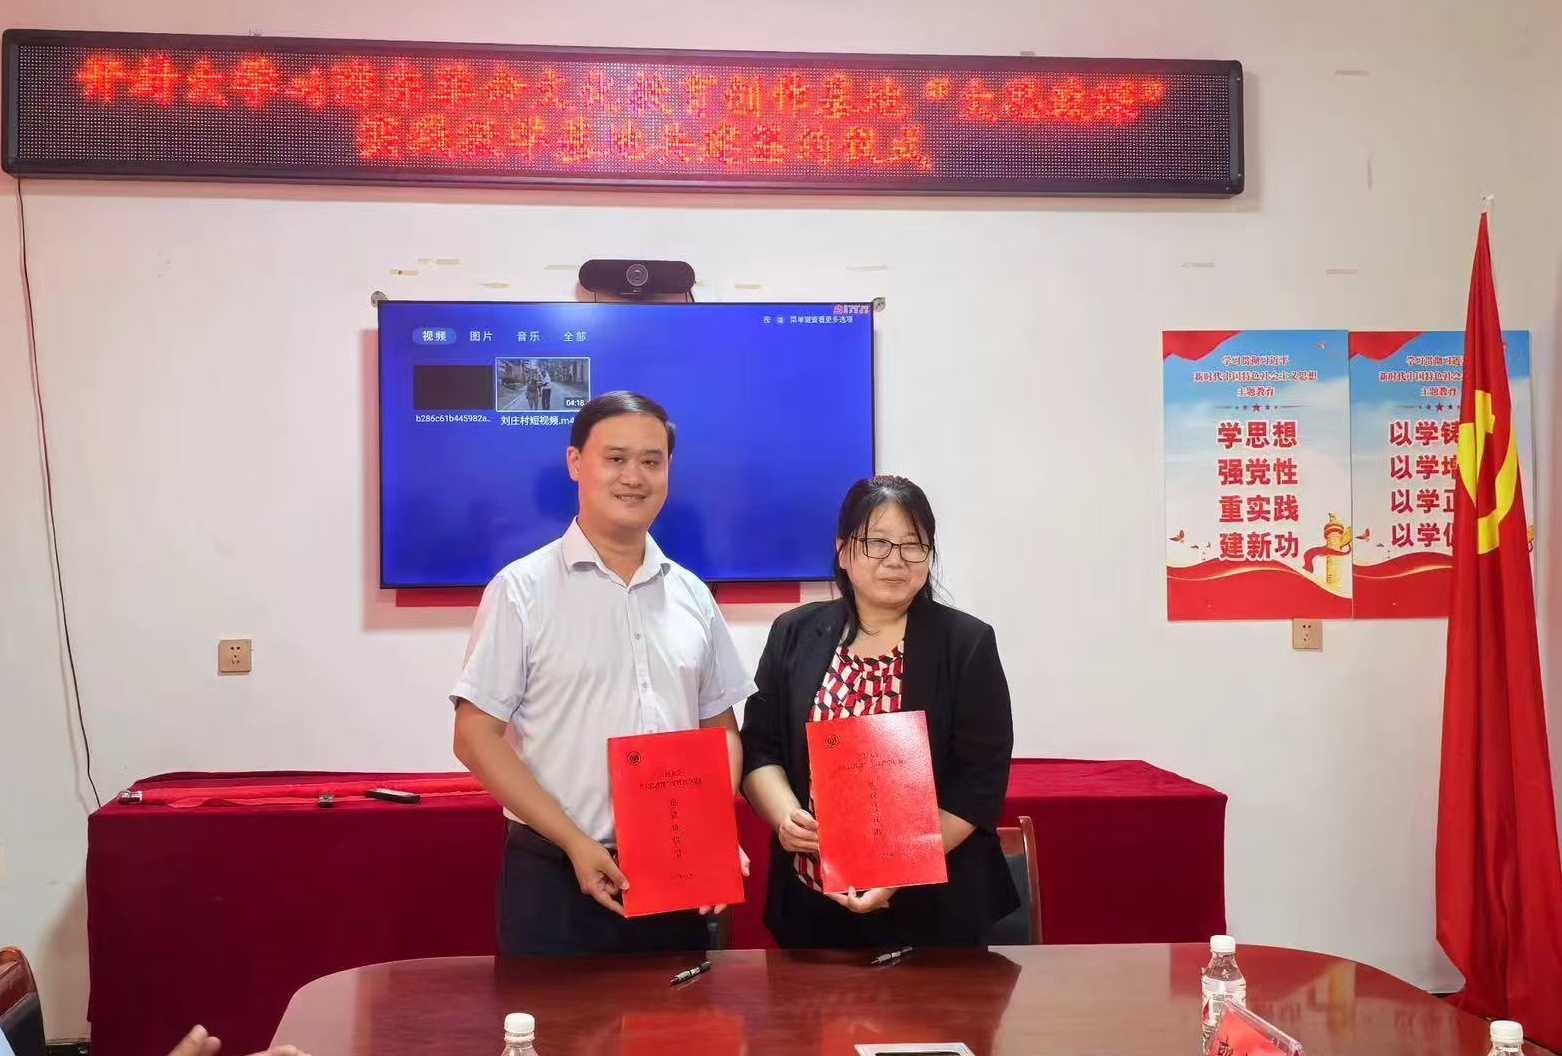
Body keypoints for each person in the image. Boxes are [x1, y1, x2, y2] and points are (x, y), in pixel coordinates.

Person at [451, 391, 755, 956]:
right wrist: (574, 841)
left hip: (676, 873)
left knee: (681, 1014)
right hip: (556, 874)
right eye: (615, 459)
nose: (633, 477)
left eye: (651, 461)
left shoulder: (693, 595)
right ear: (576, 463)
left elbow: (721, 729)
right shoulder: (521, 590)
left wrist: (712, 828)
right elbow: (474, 736)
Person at [739, 475, 1018, 949]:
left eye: (913, 545)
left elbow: (979, 780)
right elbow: (760, 747)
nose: (895, 559)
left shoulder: (966, 643)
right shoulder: (794, 632)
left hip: (936, 910)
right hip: (811, 906)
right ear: (843, 551)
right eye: (878, 542)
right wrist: (786, 817)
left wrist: (901, 865)